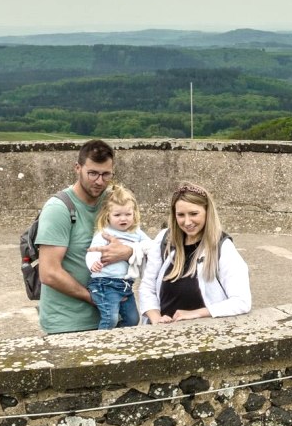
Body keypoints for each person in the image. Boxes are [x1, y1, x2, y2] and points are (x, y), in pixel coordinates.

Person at [35, 139, 134, 334]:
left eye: (106, 174)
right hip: (68, 324)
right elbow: (49, 273)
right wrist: (97, 298)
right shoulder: (59, 209)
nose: (99, 181)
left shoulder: (114, 202)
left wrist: (128, 251)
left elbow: (139, 241)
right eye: (93, 173)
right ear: (77, 168)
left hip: (113, 318)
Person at [137, 182, 252, 323]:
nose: (187, 222)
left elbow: (241, 301)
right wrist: (156, 318)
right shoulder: (164, 239)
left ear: (207, 212)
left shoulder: (222, 247)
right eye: (180, 215)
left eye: (193, 214)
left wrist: (196, 314)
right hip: (162, 331)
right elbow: (147, 288)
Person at [84, 183, 151, 330]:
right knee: (110, 318)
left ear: (134, 214)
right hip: (104, 283)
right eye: (117, 215)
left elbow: (150, 246)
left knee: (133, 319)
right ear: (108, 215)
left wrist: (134, 249)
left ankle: (119, 341)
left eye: (128, 214)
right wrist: (93, 263)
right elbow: (93, 251)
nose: (123, 219)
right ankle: (101, 343)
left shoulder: (136, 233)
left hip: (125, 284)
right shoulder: (105, 233)